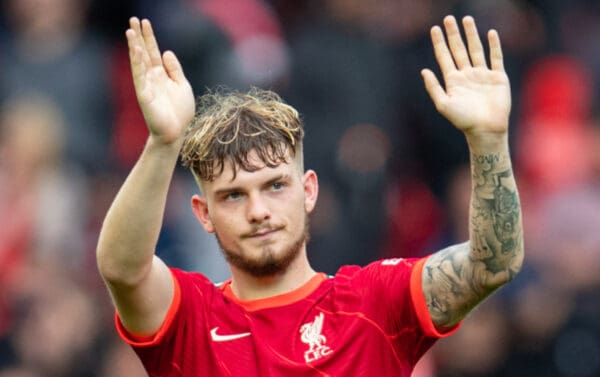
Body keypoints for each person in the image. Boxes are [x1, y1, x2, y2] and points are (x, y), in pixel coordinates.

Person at [96, 14, 524, 376]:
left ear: (308, 190)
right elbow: (122, 268)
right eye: (232, 196)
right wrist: (164, 143)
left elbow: (493, 264)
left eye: (275, 185)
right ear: (203, 213)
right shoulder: (192, 318)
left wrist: (488, 139)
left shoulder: (375, 302)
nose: (258, 211)